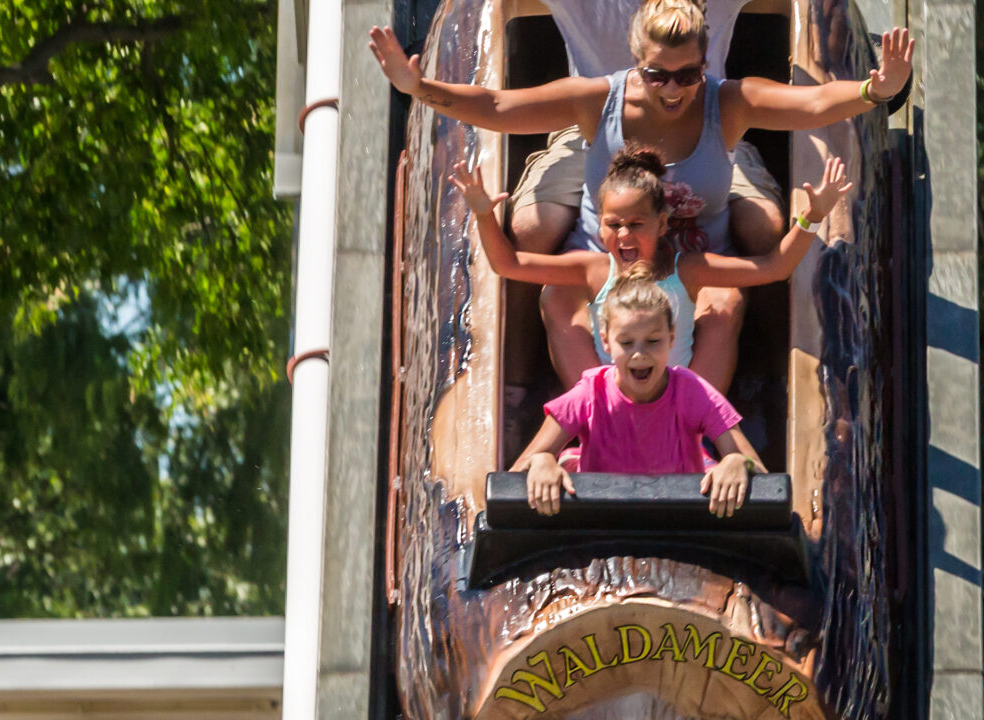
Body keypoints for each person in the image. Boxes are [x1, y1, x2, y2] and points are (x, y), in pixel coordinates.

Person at [368, 0, 912, 392]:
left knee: (727, 300)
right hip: (613, 261)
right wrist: (420, 89)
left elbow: (812, 105)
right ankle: (593, 410)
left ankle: (700, 421)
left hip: (690, 259)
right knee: (556, 297)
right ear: (636, 63)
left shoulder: (727, 102)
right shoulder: (597, 100)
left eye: (688, 75)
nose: (673, 90)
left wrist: (876, 90)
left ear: (705, 64)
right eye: (658, 76)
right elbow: (499, 106)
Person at [448, 144, 853, 384]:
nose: (624, 235)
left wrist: (811, 217)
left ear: (662, 224)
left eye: (636, 224)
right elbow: (508, 264)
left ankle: (708, 433)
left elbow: (773, 268)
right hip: (609, 406)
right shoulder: (592, 270)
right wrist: (484, 214)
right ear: (599, 224)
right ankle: (582, 424)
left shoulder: (688, 270)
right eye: (613, 225)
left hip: (677, 408)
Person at [509, 268, 767, 518]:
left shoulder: (693, 391)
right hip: (600, 515)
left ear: (672, 337)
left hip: (678, 513)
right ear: (607, 341)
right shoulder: (589, 394)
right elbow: (520, 468)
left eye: (653, 341)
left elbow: (757, 469)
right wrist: (542, 462)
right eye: (627, 342)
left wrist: (736, 463)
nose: (640, 354)